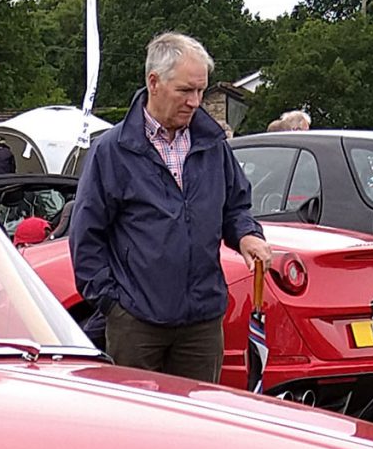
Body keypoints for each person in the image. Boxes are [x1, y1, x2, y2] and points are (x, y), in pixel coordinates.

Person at [67, 31, 268, 383]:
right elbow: (87, 234)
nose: (195, 101)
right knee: (139, 416)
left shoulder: (213, 146)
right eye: (185, 90)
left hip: (201, 322)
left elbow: (236, 207)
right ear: (154, 82)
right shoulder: (112, 151)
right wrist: (113, 304)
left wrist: (247, 235)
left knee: (196, 415)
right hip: (136, 322)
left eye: (200, 90)